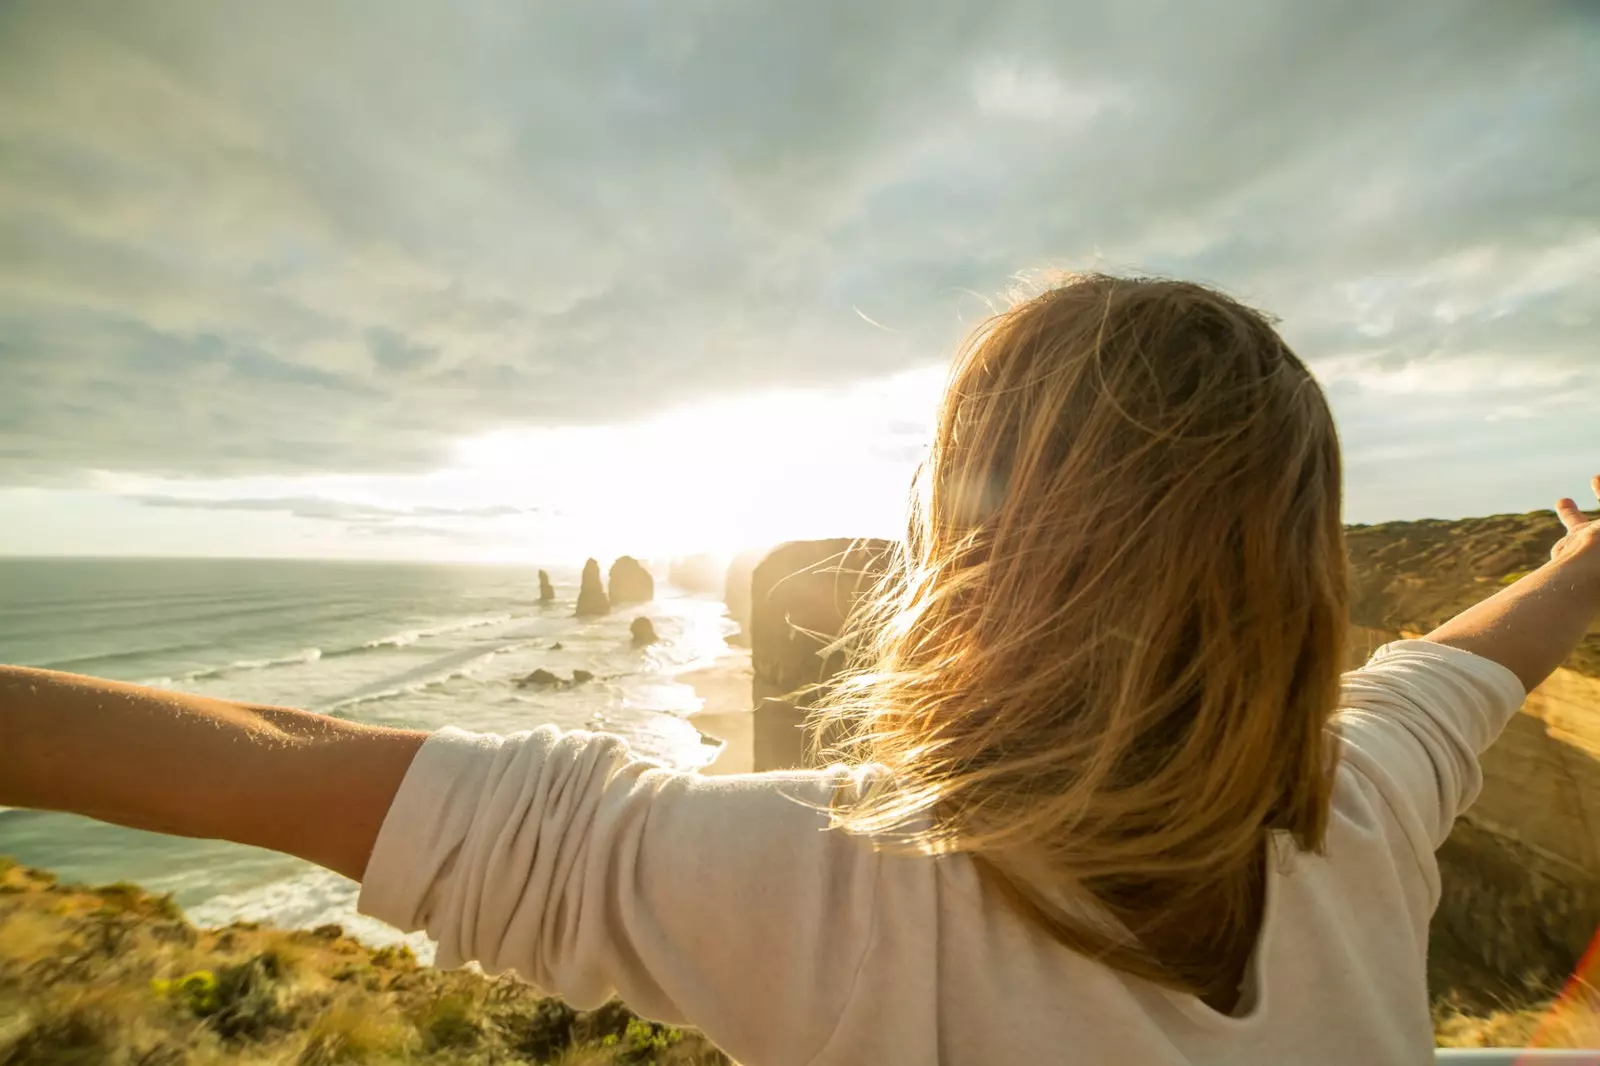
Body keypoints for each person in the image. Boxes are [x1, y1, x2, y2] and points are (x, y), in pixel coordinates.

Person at [3, 275, 1596, 1066]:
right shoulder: (1367, 811)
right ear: (1301, 586)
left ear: (978, 562)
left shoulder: (841, 894)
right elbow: (1469, 660)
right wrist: (1584, 553)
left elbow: (272, 765)